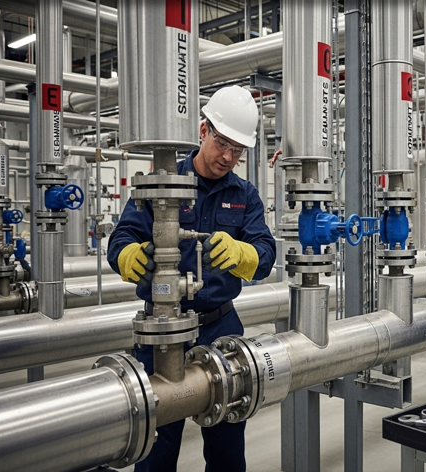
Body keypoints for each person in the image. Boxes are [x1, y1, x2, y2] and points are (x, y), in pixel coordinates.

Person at [107, 85, 276, 472]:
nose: (229, 157)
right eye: (223, 144)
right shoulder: (160, 182)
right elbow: (121, 239)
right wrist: (127, 255)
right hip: (162, 330)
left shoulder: (245, 194)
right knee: (156, 444)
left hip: (220, 328)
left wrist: (243, 254)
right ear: (204, 130)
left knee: (227, 444)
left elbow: (265, 254)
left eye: (239, 151)